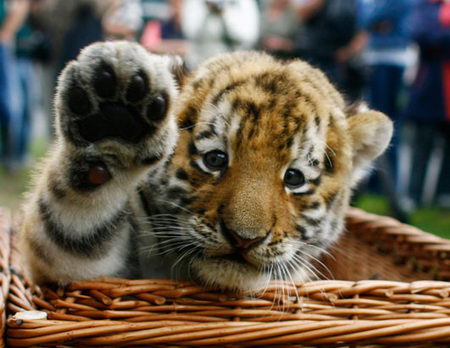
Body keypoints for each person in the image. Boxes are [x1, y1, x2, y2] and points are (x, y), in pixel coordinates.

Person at [402, 0, 450, 206]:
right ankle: (414, 194)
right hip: (431, 86)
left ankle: (444, 193)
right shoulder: (426, 6)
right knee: (423, 143)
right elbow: (423, 36)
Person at [296, 0, 366, 102]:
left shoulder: (356, 3)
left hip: (341, 63)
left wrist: (349, 52)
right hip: (313, 58)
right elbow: (302, 15)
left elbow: (363, 32)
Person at [181, 0, 260, 68]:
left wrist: (224, 12)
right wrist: (206, 10)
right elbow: (190, 32)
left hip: (232, 64)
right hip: (198, 62)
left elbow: (248, 36)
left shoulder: (244, 2)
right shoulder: (194, 2)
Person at [0, 0, 30, 172]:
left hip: (5, 48)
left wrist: (5, 33)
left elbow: (21, 5)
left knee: (10, 105)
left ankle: (12, 157)